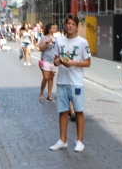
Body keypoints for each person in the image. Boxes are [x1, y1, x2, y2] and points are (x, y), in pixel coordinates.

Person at [49, 15, 91, 153]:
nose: (70, 26)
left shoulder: (82, 42)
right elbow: (55, 59)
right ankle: (62, 140)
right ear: (65, 26)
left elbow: (88, 62)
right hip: (62, 81)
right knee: (62, 111)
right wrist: (57, 62)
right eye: (68, 23)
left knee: (78, 111)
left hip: (76, 82)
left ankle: (80, 141)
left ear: (77, 26)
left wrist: (72, 63)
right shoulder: (59, 41)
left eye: (73, 24)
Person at [37, 22, 57, 102]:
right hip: (45, 60)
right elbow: (41, 49)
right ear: (49, 29)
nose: (55, 29)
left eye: (55, 28)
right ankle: (41, 93)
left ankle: (49, 95)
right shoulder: (44, 38)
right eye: (53, 28)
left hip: (54, 61)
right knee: (46, 78)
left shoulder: (56, 39)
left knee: (51, 78)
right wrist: (47, 42)